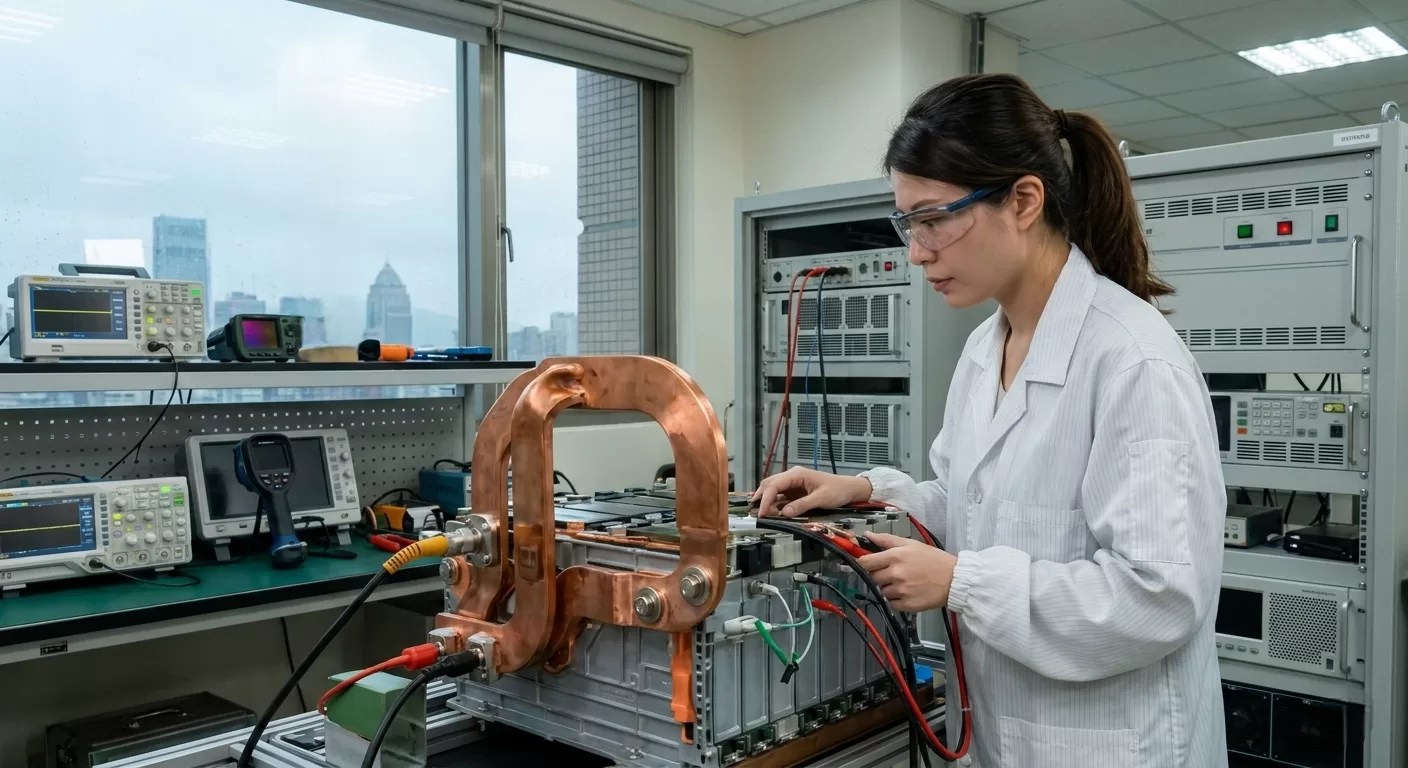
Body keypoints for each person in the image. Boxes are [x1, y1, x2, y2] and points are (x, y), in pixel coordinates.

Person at [752, 73, 1228, 768]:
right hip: (1006, 736)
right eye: (907, 223)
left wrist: (963, 584)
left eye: (934, 218)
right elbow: (972, 505)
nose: (916, 251)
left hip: (1117, 746)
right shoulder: (985, 349)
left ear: (1024, 200)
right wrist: (866, 492)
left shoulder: (1132, 361)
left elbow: (1158, 597)